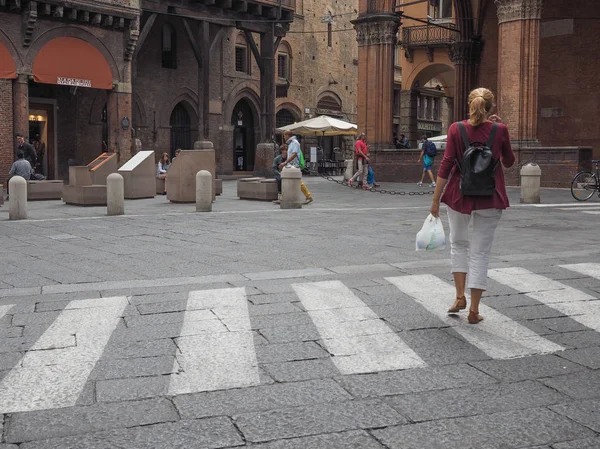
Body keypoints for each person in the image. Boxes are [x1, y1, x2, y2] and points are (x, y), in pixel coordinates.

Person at [429, 87, 515, 324]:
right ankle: (474, 311)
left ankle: (459, 297)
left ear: (469, 104)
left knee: (458, 245)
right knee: (480, 253)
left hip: (458, 195)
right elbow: (509, 162)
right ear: (491, 107)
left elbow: (446, 164)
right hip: (491, 197)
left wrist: (435, 200)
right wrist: (501, 131)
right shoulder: (500, 130)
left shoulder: (456, 129)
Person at [279, 130, 313, 204]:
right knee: (287, 180)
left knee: (298, 182)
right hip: (290, 165)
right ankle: (282, 198)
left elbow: (294, 154)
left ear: (288, 135)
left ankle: (308, 196)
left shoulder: (295, 143)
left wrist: (285, 162)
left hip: (294, 165)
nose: (284, 137)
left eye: (284, 135)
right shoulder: (290, 143)